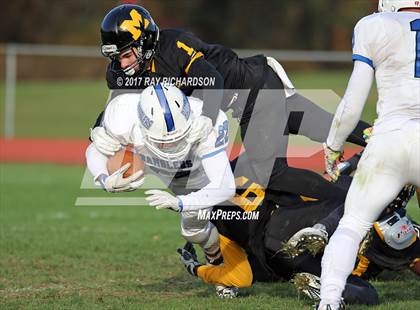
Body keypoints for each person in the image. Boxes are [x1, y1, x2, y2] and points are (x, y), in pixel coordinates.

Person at [91, 3, 372, 203]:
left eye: (127, 54)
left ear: (147, 42)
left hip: (255, 92)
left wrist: (206, 118)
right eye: (116, 57)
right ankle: (387, 140)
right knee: (332, 127)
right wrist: (98, 130)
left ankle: (355, 201)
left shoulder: (173, 46)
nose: (122, 64)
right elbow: (118, 107)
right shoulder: (120, 72)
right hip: (259, 85)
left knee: (271, 175)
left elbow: (211, 79)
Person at [175, 152, 419, 306]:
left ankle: (329, 286)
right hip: (297, 219)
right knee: (378, 222)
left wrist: (198, 269)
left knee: (365, 291)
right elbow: (306, 182)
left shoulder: (212, 216)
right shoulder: (246, 163)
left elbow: (241, 277)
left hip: (278, 254)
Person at [319, 1, 420, 309]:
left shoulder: (373, 25)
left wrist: (333, 144)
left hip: (390, 137)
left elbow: (353, 102)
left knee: (352, 225)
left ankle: (328, 302)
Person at [85, 83, 235, 264]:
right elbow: (96, 149)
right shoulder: (124, 113)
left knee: (193, 231)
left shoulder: (206, 123)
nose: (169, 146)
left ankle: (217, 260)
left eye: (176, 138)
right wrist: (104, 180)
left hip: (195, 176)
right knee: (119, 162)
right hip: (150, 163)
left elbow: (226, 186)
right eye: (161, 141)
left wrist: (181, 203)